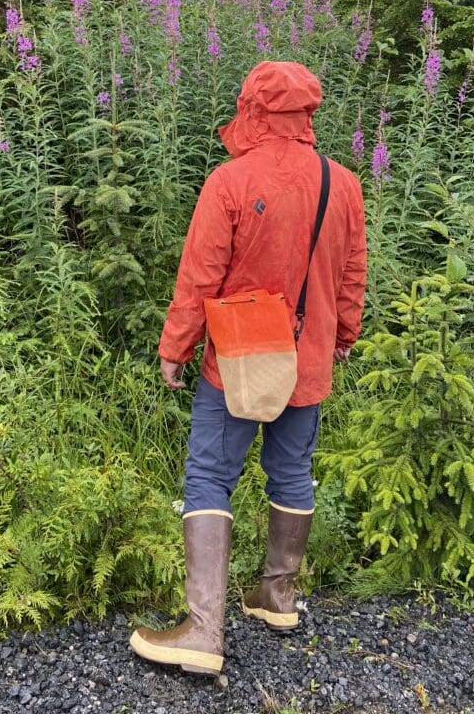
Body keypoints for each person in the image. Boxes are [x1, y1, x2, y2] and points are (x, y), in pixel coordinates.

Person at [129, 60, 367, 676]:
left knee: (210, 474)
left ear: (254, 108)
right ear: (307, 113)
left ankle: (204, 633)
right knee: (292, 470)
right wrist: (344, 333)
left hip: (237, 360)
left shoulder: (230, 180)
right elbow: (351, 273)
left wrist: (175, 346)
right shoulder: (343, 183)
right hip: (308, 356)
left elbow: (200, 274)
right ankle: (277, 598)